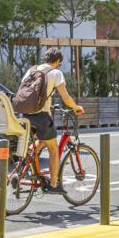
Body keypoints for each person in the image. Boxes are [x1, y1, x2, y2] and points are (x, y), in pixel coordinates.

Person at [20, 48, 84, 194]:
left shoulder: (32, 70)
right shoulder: (55, 72)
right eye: (59, 64)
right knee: (53, 149)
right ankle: (54, 184)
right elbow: (65, 97)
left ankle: (30, 167)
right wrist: (76, 107)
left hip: (24, 114)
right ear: (57, 61)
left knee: (41, 141)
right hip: (41, 116)